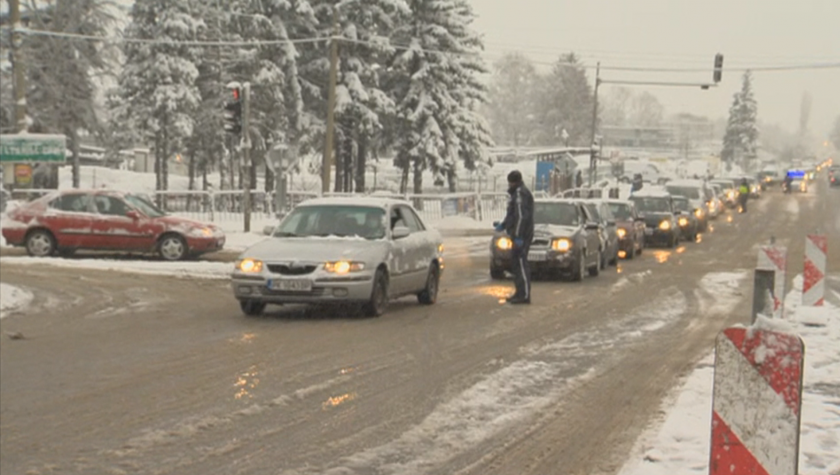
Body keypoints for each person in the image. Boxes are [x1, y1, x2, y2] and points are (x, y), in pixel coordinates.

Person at [495, 170, 535, 304]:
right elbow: (513, 215)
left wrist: (518, 235)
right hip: (520, 234)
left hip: (522, 235)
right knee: (516, 265)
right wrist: (504, 224)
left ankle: (524, 295)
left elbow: (521, 216)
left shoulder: (519, 194)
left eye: (510, 182)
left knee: (521, 264)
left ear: (513, 182)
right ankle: (519, 292)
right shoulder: (518, 193)